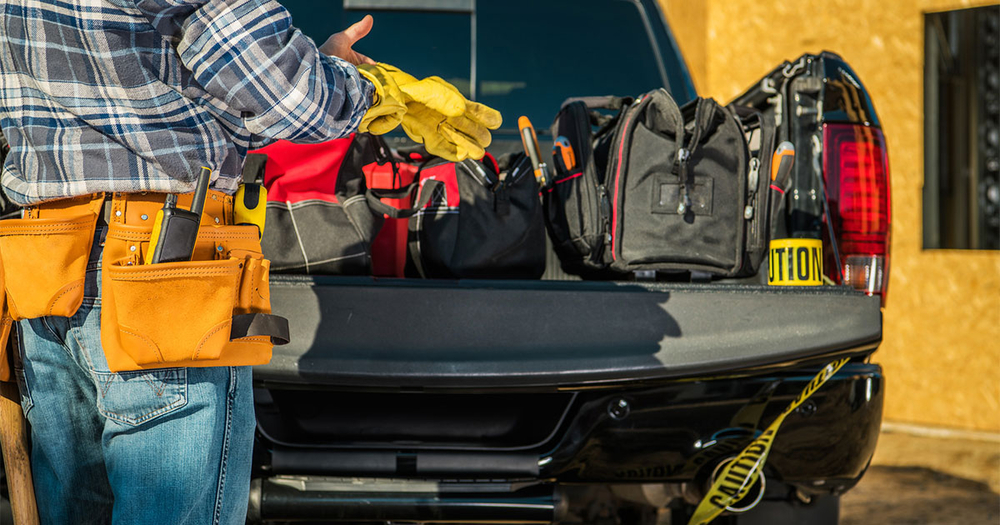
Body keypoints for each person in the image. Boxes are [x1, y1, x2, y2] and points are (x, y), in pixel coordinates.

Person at [0, 1, 499, 523]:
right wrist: (371, 89)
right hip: (162, 274)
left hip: (44, 263)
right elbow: (288, 96)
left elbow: (182, 117)